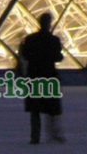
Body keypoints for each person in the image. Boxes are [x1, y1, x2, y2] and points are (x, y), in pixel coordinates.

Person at [20, 12, 64, 143]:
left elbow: (25, 56)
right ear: (49, 24)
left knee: (35, 109)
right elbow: (58, 57)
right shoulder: (54, 40)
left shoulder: (30, 39)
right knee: (51, 109)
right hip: (49, 76)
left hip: (34, 76)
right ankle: (53, 135)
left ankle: (35, 136)